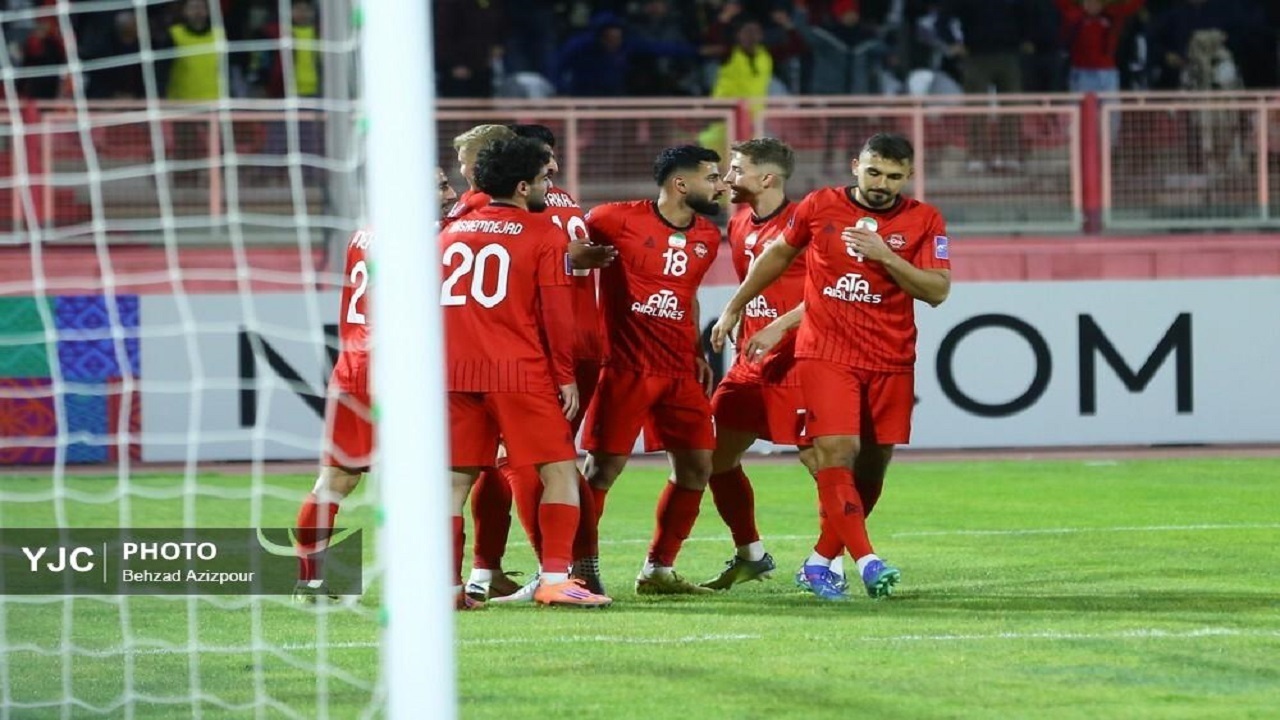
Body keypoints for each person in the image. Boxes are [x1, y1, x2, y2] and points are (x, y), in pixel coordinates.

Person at [711, 133, 952, 600]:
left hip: (890, 357)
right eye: (874, 172)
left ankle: (821, 560)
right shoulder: (820, 205)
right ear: (856, 165)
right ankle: (867, 560)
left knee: (872, 467)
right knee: (834, 451)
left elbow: (937, 291)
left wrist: (885, 255)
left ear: (909, 176)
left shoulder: (925, 220)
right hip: (825, 352)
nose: (881, 184)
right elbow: (779, 253)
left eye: (894, 176)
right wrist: (736, 305)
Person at [442, 137, 612, 609]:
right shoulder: (542, 233)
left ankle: (449, 589)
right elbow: (556, 315)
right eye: (543, 180)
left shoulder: (449, 232)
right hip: (517, 371)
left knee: (453, 483)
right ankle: (555, 579)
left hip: (454, 373)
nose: (547, 187)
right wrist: (565, 375)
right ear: (522, 186)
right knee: (559, 470)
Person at [293, 167, 458, 604]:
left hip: (353, 367)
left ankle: (309, 581)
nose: (450, 194)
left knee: (334, 480)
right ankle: (430, 581)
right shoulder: (423, 241)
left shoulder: (364, 234)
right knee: (437, 479)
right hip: (398, 371)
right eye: (441, 186)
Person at [574, 145, 727, 596]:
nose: (720, 186)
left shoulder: (707, 234)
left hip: (679, 369)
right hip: (625, 366)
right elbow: (560, 246)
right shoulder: (612, 219)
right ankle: (579, 567)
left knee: (698, 466)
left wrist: (697, 351)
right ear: (680, 184)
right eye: (711, 177)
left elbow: (688, 294)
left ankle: (658, 569)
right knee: (602, 470)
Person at [696, 138, 815, 592]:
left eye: (736, 169)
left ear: (766, 178)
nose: (728, 178)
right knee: (713, 457)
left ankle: (834, 559)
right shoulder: (740, 220)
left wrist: (779, 328)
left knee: (821, 462)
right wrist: (740, 315)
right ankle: (751, 555)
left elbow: (830, 292)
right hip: (750, 361)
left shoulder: (806, 225)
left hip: (799, 359)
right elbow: (754, 285)